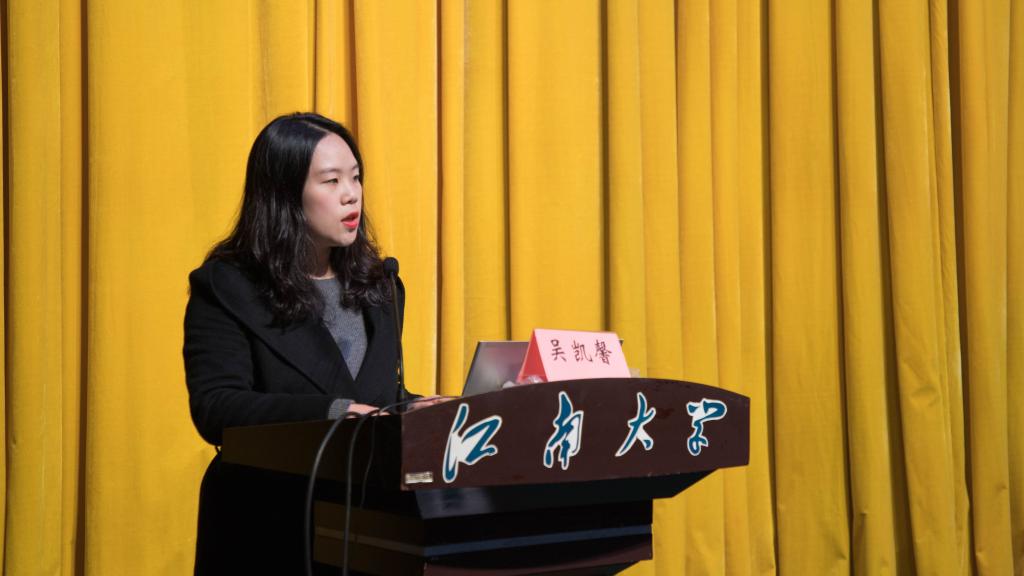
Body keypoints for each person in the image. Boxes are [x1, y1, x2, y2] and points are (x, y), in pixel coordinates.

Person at [183, 112, 417, 573]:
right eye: (331, 181)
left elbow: (372, 398)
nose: (351, 194)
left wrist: (420, 408)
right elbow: (217, 407)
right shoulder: (228, 286)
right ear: (285, 193)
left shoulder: (379, 285)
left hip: (369, 523)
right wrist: (331, 413)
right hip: (268, 521)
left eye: (355, 177)